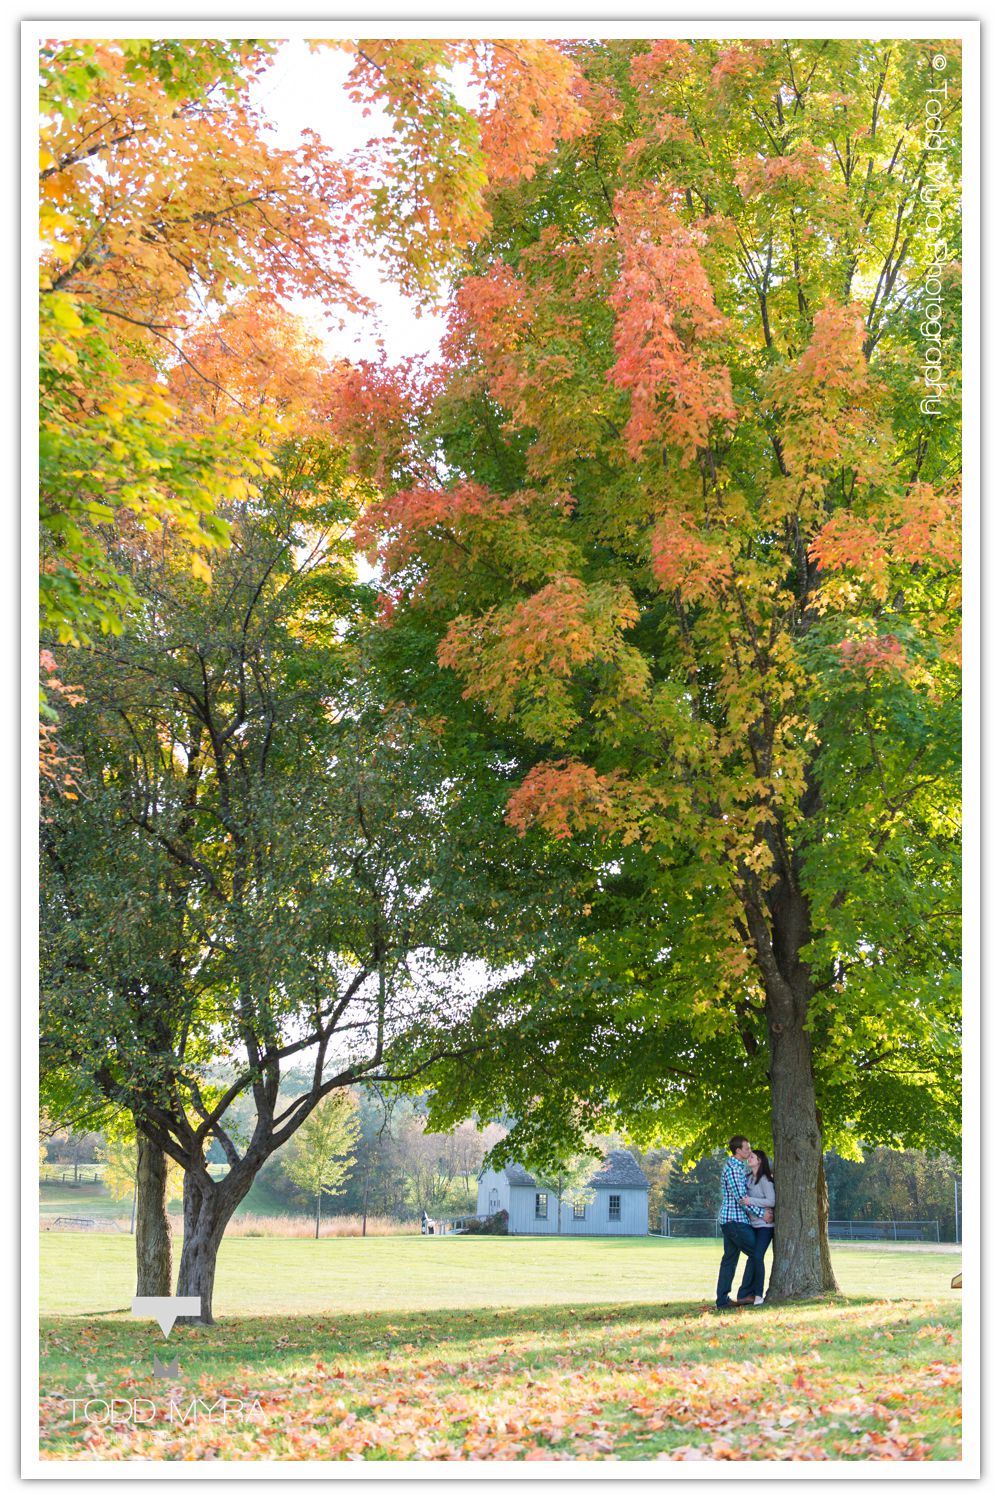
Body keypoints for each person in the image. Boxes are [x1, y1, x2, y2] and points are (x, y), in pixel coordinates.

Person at [715, 1135, 756, 1309]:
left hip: (734, 1220)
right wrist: (763, 1214)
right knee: (756, 1253)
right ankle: (744, 1294)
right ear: (738, 1150)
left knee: (729, 1260)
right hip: (734, 1221)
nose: (749, 1151)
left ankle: (722, 1301)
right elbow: (741, 1198)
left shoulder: (739, 1168)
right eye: (746, 1148)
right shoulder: (732, 1168)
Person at [736, 1148, 775, 1305]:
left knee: (758, 1256)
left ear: (759, 1161)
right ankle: (746, 1294)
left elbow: (771, 1201)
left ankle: (758, 1295)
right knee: (752, 1258)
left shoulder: (765, 1180)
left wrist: (751, 1201)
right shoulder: (747, 1179)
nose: (749, 1158)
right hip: (751, 1225)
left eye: (752, 1157)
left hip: (765, 1226)